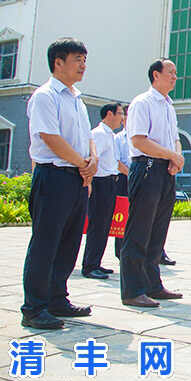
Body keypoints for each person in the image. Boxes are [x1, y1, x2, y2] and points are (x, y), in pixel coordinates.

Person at [21, 38, 97, 329]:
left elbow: (88, 137)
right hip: (53, 176)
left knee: (69, 242)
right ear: (58, 62)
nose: (83, 65)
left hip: (77, 178)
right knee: (46, 243)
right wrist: (82, 163)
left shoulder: (77, 99)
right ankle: (34, 308)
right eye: (78, 59)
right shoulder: (45, 96)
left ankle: (57, 299)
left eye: (85, 60)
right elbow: (50, 138)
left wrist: (92, 160)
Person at [120, 59, 184, 308]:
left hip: (166, 170)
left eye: (176, 73)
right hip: (146, 168)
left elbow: (175, 138)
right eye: (171, 72)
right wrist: (171, 155)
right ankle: (133, 290)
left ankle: (152, 285)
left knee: (158, 231)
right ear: (156, 75)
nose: (175, 76)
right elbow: (139, 140)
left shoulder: (169, 106)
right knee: (139, 231)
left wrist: (176, 158)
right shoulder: (142, 103)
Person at [82, 102, 123, 279]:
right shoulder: (98, 134)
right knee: (97, 225)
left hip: (110, 183)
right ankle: (89, 266)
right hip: (100, 183)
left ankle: (96, 262)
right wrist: (89, 182)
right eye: (120, 113)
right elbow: (92, 159)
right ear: (109, 114)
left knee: (105, 225)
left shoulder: (111, 136)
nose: (122, 117)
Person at [114, 105, 130, 259]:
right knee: (122, 215)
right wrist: (131, 174)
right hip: (124, 180)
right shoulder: (118, 138)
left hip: (141, 179)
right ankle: (121, 251)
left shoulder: (143, 138)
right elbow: (116, 161)